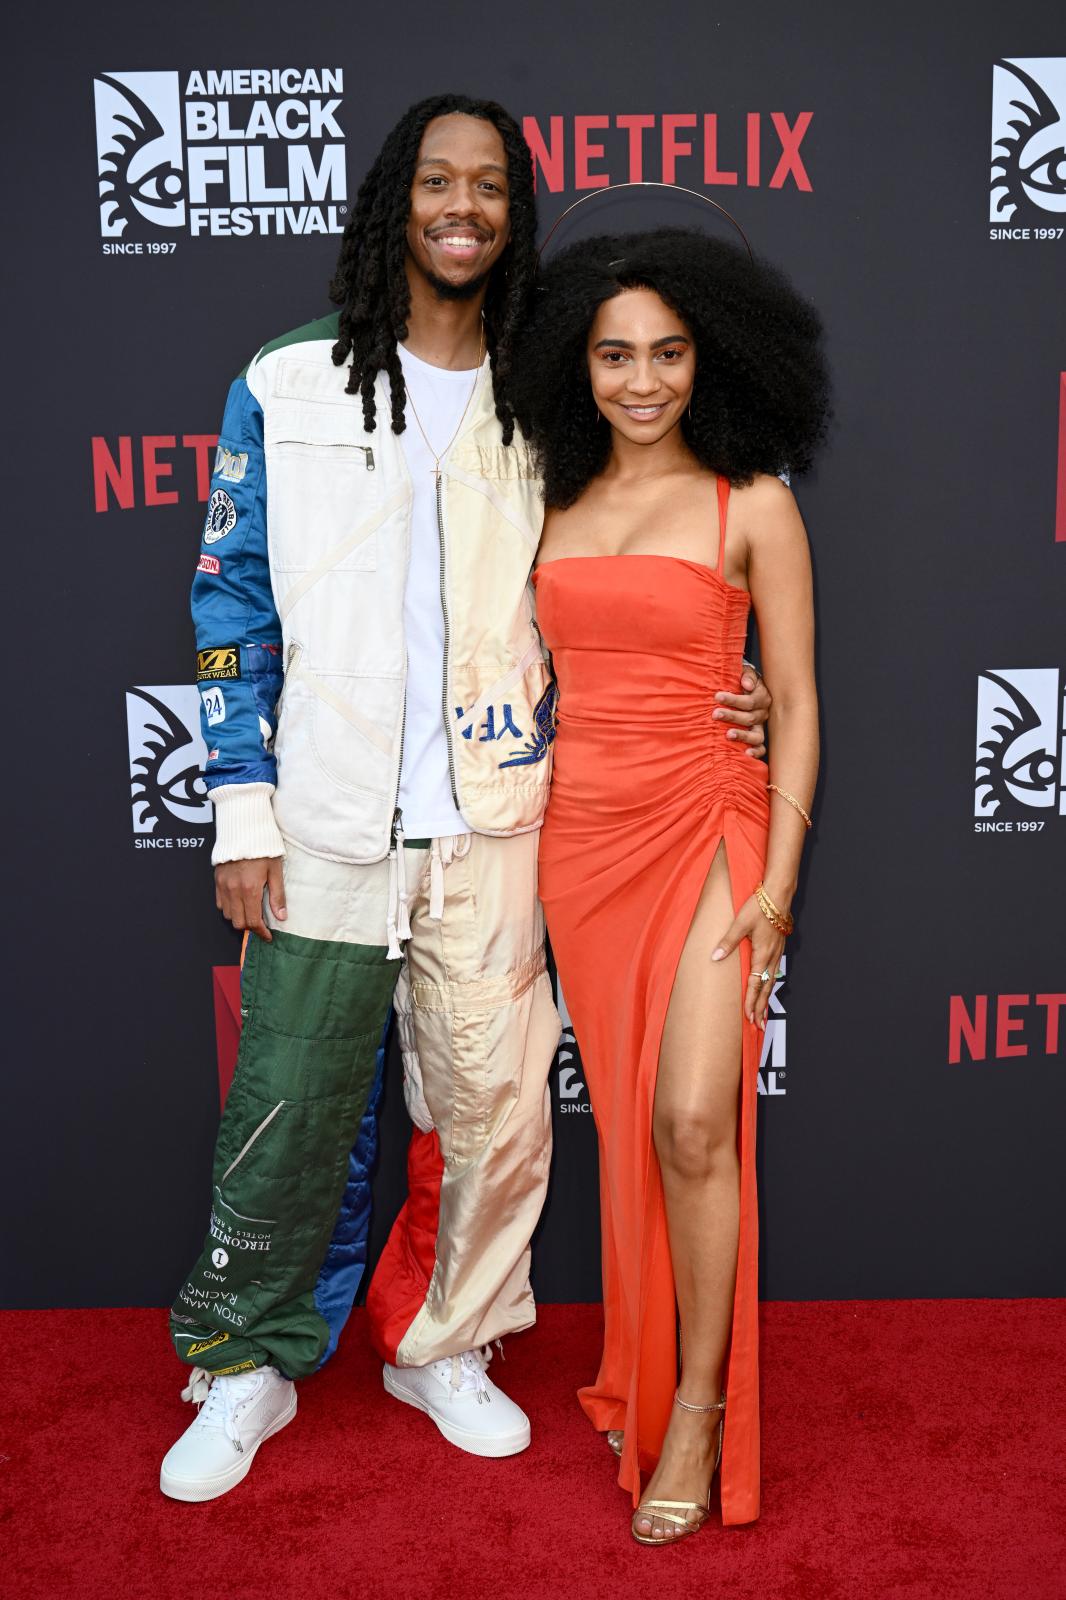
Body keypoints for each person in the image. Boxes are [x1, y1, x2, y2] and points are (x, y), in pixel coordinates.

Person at [161, 94, 772, 1503]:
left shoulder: (545, 392)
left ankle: (445, 1340)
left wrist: (721, 677)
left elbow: (635, 552)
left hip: (500, 821)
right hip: (323, 817)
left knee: (494, 1112)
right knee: (292, 1103)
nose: (462, 207)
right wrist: (241, 806)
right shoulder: (286, 381)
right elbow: (229, 598)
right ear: (398, 200)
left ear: (514, 213)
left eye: (489, 186)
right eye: (437, 181)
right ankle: (246, 1363)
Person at [513, 228, 826, 1544]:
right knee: (631, 1131)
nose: (642, 381)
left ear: (711, 359)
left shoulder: (751, 502)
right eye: (613, 355)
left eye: (668, 353)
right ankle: (644, 1369)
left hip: (708, 824)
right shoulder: (541, 497)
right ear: (573, 367)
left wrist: (777, 887)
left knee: (694, 1120)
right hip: (579, 844)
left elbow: (797, 705)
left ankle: (697, 1407)